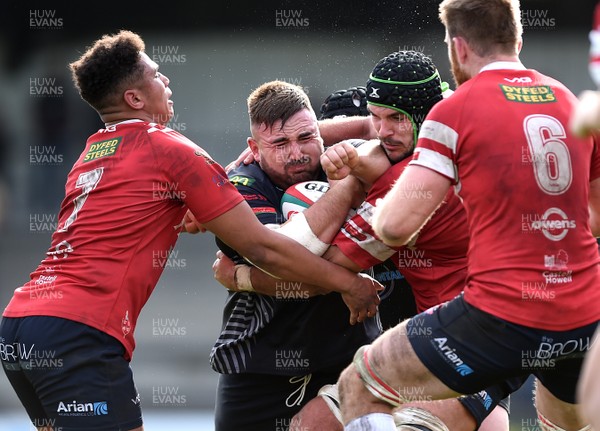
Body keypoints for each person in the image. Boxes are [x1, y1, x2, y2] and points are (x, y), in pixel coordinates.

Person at [0, 31, 383, 431]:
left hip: (21, 323)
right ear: (135, 98)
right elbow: (265, 249)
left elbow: (157, 203)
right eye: (156, 74)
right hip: (77, 331)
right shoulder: (168, 148)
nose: (165, 81)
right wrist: (348, 283)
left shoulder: (93, 151)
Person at [337, 0, 600, 430]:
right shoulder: (568, 100)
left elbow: (394, 227)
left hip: (502, 314)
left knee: (360, 384)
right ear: (518, 38)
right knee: (567, 425)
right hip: (583, 314)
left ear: (458, 47)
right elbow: (596, 219)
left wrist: (366, 177)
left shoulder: (455, 110)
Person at [290, 51, 510, 431]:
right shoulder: (458, 131)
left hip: (476, 338)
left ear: (425, 118)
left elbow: (321, 263)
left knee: (422, 423)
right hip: (438, 336)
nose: (382, 131)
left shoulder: (411, 183)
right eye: (375, 117)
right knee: (313, 423)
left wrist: (347, 185)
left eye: (395, 119)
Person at [208, 80, 383, 431]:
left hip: (347, 358)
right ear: (253, 149)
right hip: (259, 360)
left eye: (305, 138)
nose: (296, 154)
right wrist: (346, 190)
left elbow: (391, 135)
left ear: (320, 133)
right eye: (279, 144)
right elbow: (282, 258)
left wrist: (364, 132)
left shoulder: (352, 160)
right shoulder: (241, 185)